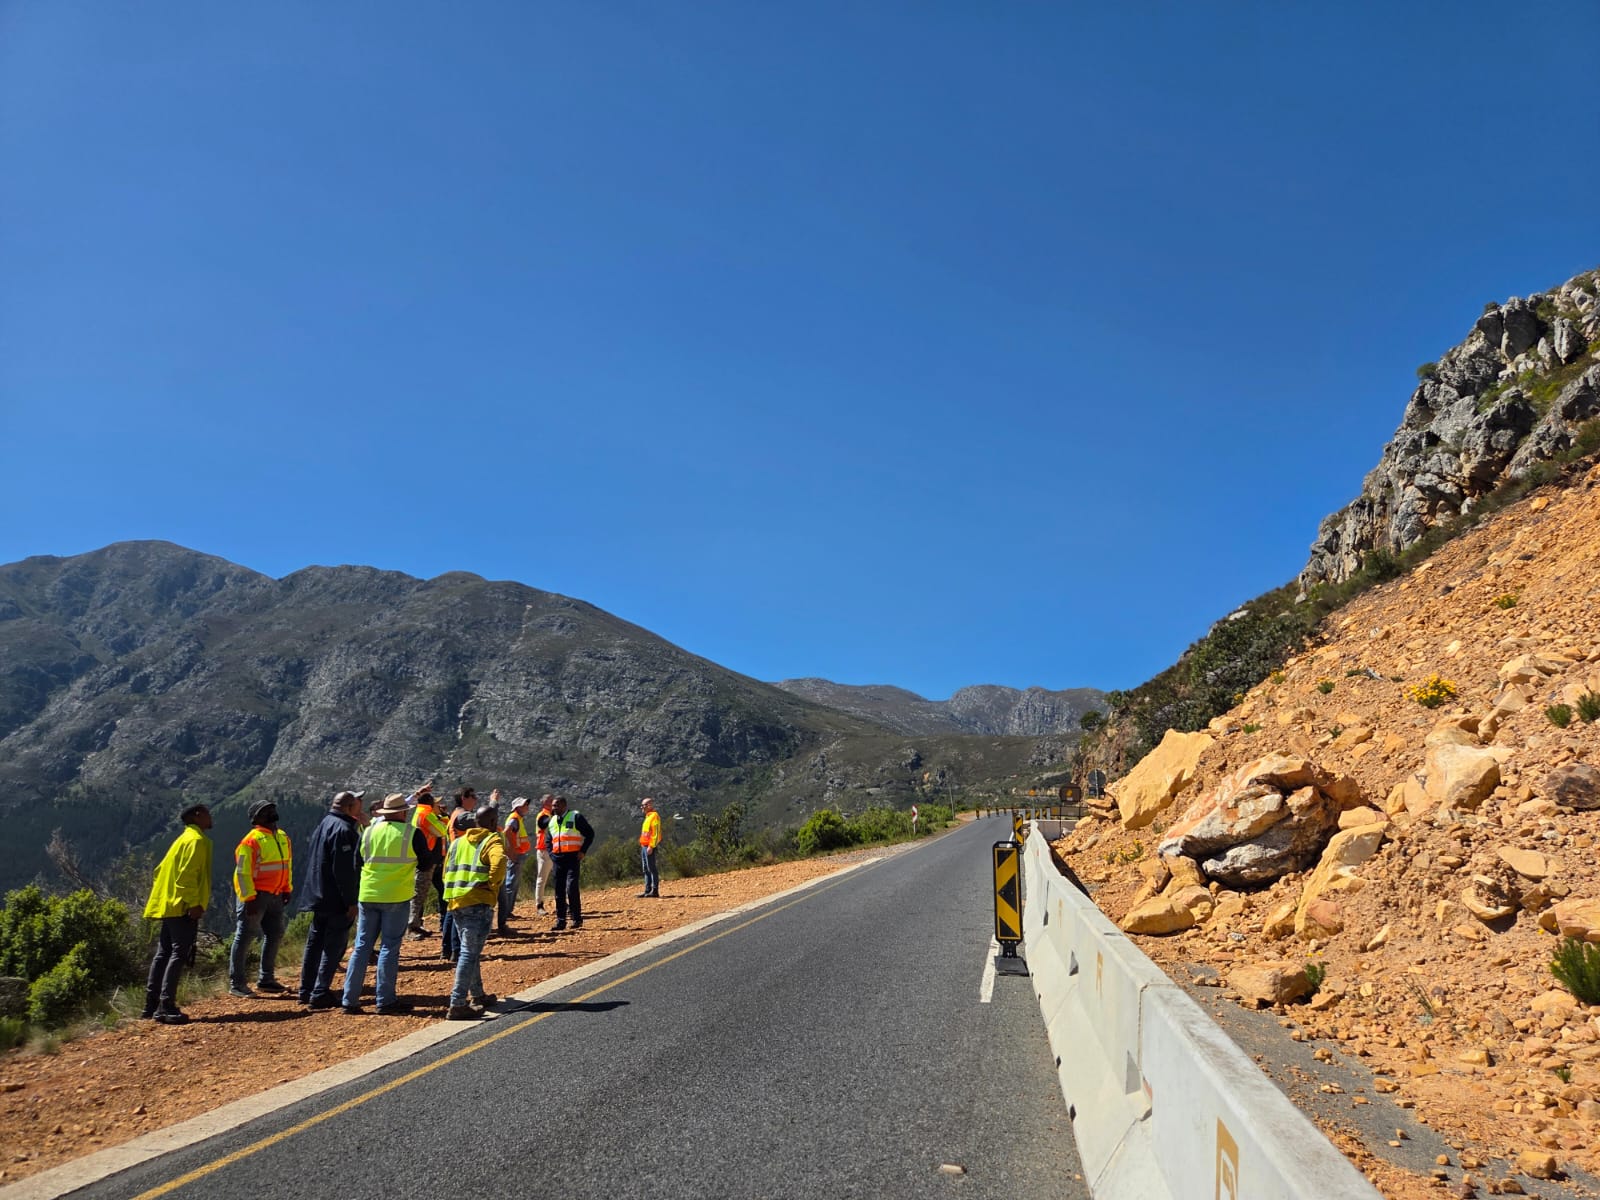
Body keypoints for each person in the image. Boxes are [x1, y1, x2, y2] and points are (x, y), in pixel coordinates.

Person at [341, 793, 427, 1016]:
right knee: (389, 946)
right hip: (397, 896)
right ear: (402, 812)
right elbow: (426, 863)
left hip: (368, 894)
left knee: (362, 946)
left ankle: (349, 999)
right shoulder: (411, 833)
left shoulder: (369, 831)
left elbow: (356, 863)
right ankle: (385, 1000)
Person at [142, 803, 214, 1025]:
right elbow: (186, 878)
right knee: (178, 954)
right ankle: (167, 1006)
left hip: (168, 905)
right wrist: (193, 903)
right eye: (208, 813)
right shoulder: (197, 841)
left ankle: (151, 1006)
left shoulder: (180, 840)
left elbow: (159, 871)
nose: (211, 817)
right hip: (182, 907)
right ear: (198, 816)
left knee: (163, 953)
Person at [298, 789, 364, 1009]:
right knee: (334, 945)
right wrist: (351, 901)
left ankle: (306, 990)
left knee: (314, 943)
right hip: (335, 899)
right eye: (357, 804)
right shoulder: (344, 829)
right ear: (348, 807)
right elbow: (344, 870)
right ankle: (320, 991)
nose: (360, 806)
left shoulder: (325, 822)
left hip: (317, 893)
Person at [444, 805, 506, 1020]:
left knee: (469, 951)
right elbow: (499, 863)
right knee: (469, 953)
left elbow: (446, 871)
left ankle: (478, 995)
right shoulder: (492, 840)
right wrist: (490, 883)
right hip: (477, 903)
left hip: (456, 902)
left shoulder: (457, 842)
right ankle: (458, 1003)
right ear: (491, 822)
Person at [228, 799, 293, 997]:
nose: (272, 811)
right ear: (257, 818)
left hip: (275, 894)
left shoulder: (282, 837)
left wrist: (286, 888)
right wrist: (249, 898)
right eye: (266, 810)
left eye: (272, 808)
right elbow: (242, 873)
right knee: (245, 936)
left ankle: (266, 979)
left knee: (275, 934)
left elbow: (287, 864)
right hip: (257, 897)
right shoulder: (251, 841)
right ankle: (237, 984)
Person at [546, 795, 594, 932]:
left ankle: (576, 919)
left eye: (556, 805)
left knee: (571, 888)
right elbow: (548, 840)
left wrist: (583, 851)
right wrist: (551, 854)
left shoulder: (575, 817)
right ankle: (561, 921)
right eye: (553, 806)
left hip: (573, 858)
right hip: (558, 860)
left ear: (564, 805)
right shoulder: (553, 821)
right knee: (558, 891)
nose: (554, 808)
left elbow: (590, 833)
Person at [407, 781, 447, 938]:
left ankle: (416, 924)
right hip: (425, 858)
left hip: (422, 857)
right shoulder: (427, 814)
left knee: (420, 893)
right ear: (430, 803)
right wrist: (442, 817)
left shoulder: (418, 812)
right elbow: (441, 831)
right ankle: (411, 927)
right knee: (418, 893)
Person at [440, 807, 477, 961]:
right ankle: (456, 951)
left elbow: (446, 866)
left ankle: (446, 950)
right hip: (463, 887)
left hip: (450, 885)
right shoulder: (469, 844)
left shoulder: (454, 844)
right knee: (458, 921)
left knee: (450, 916)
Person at [499, 796, 533, 933]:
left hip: (517, 854)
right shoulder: (514, 818)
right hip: (514, 855)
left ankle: (508, 911)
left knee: (514, 883)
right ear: (518, 807)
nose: (527, 807)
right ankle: (506, 911)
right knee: (510, 883)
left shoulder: (517, 819)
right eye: (525, 805)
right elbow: (506, 832)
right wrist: (511, 851)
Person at [531, 794, 555, 913]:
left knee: (559, 877)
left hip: (554, 849)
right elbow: (543, 823)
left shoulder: (551, 814)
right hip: (544, 850)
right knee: (542, 878)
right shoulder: (543, 815)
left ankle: (561, 902)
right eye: (551, 801)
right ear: (545, 803)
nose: (553, 802)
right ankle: (539, 905)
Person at [638, 797, 662, 898]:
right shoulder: (648, 816)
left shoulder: (654, 816)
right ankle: (647, 890)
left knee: (651, 868)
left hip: (649, 846)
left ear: (649, 805)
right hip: (644, 845)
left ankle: (654, 890)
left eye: (643, 805)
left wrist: (651, 846)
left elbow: (656, 833)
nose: (642, 807)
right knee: (646, 869)